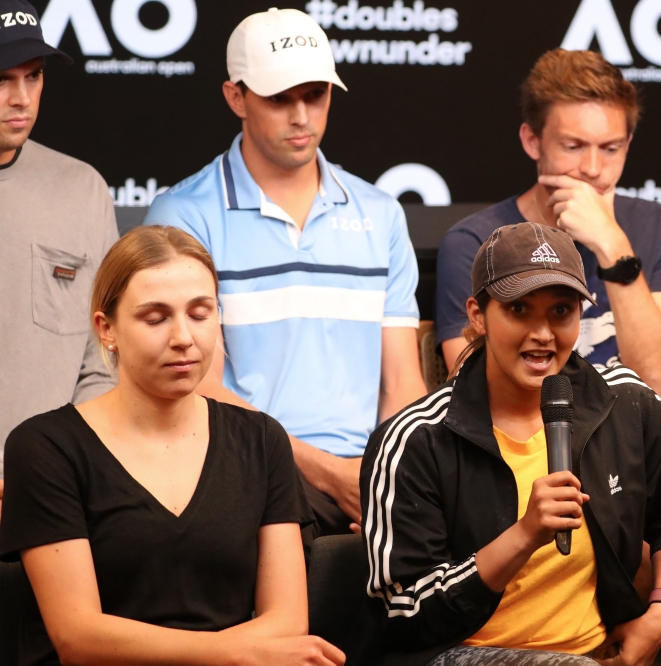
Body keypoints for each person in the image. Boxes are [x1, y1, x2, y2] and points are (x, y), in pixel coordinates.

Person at [363, 222, 661, 666]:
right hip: (460, 653)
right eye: (519, 309)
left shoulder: (626, 401)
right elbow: (404, 613)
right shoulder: (416, 437)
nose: (543, 333)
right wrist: (524, 534)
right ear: (476, 314)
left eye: (561, 311)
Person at [0, 226, 345, 666]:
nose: (183, 337)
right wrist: (230, 653)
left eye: (200, 314)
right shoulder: (45, 447)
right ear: (107, 328)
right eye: (156, 318)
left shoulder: (261, 439)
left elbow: (287, 620)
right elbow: (78, 636)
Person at [145, 8, 426, 536]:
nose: (301, 116)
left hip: (363, 472)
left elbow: (402, 384)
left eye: (315, 94)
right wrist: (331, 475)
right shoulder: (184, 216)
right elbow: (197, 388)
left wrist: (389, 480)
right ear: (236, 98)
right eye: (279, 98)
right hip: (237, 468)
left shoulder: (381, 213)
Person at [434, 48, 661, 426]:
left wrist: (612, 245)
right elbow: (481, 402)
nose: (592, 169)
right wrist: (648, 416)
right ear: (532, 141)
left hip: (637, 465)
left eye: (610, 149)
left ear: (629, 144)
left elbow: (658, 381)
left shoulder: (658, 227)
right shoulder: (474, 242)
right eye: (573, 147)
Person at [0, 0, 118, 504]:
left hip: (54, 497)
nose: (21, 98)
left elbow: (104, 357)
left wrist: (51, 469)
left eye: (34, 76)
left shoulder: (82, 189)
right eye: (1, 79)